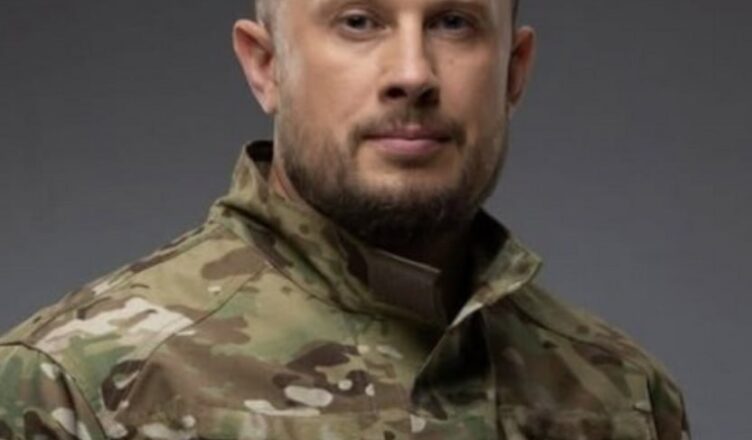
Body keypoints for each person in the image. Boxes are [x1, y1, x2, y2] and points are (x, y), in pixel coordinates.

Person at [0, 0, 691, 438]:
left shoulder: (624, 394)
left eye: (454, 22)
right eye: (359, 21)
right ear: (266, 65)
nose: (413, 73)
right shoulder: (67, 384)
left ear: (514, 70)